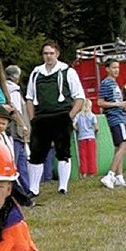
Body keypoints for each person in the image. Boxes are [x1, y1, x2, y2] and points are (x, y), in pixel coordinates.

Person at [25, 41, 85, 196]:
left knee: (63, 151)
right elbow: (29, 98)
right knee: (36, 153)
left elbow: (79, 97)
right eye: (45, 53)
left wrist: (68, 117)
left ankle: (63, 187)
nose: (48, 56)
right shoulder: (36, 73)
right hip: (41, 118)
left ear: (57, 54)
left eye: (51, 53)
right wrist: (32, 119)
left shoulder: (67, 71)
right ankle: (34, 189)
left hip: (61, 116)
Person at [98, 60, 126, 189]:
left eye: (118, 67)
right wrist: (118, 105)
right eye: (113, 67)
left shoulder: (115, 84)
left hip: (121, 115)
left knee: (119, 148)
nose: (116, 70)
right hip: (116, 118)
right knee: (125, 145)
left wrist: (124, 105)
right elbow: (100, 102)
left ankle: (119, 177)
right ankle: (110, 175)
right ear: (107, 69)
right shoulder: (106, 83)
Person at [4, 64, 31, 195]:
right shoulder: (13, 90)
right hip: (16, 132)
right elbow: (16, 111)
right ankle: (22, 191)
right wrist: (23, 126)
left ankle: (26, 190)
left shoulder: (6, 88)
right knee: (18, 163)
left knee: (20, 162)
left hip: (15, 132)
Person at [73, 99, 98, 177]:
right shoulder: (92, 115)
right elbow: (96, 127)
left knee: (83, 156)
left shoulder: (79, 115)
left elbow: (73, 124)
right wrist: (94, 130)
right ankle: (92, 172)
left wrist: (77, 129)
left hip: (81, 137)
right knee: (91, 155)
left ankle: (83, 172)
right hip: (91, 136)